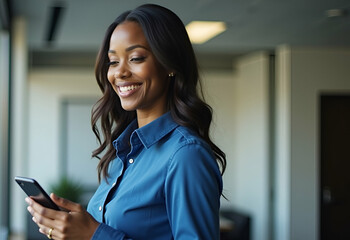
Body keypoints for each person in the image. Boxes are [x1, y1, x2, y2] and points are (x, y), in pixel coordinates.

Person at [25, 3, 226, 239]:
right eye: (113, 61)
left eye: (136, 58)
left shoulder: (185, 155)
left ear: (170, 64)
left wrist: (93, 234)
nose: (119, 72)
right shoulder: (124, 154)